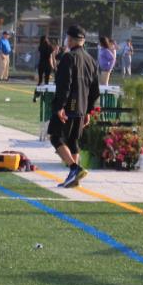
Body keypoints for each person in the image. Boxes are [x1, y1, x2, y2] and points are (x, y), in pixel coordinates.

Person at [49, 25, 100, 189]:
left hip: (70, 105)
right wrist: (89, 111)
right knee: (73, 141)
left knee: (56, 137)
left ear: (70, 40)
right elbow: (95, 90)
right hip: (82, 106)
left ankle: (74, 168)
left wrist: (60, 106)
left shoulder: (69, 57)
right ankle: (74, 179)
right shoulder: (91, 60)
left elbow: (65, 84)